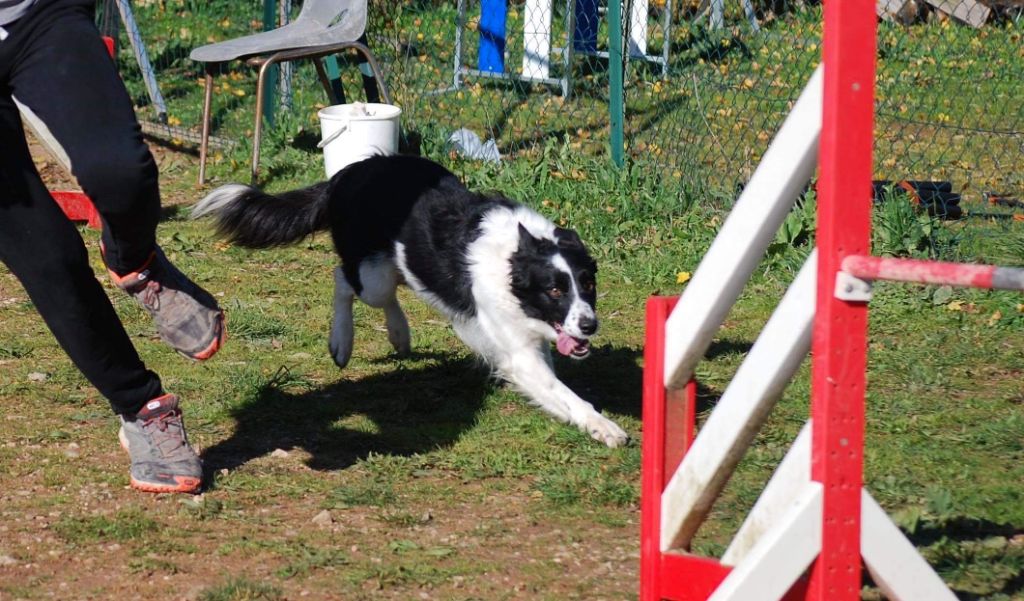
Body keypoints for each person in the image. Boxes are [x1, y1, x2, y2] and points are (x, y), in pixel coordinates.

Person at [0, 0, 225, 493]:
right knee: (44, 255)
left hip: (36, 16)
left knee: (121, 172)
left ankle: (135, 261)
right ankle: (141, 406)